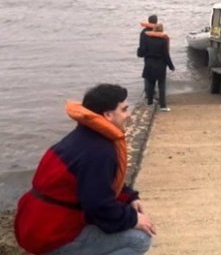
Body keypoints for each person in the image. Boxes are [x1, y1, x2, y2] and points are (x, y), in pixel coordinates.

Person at [14, 84, 155, 255]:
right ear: (108, 115)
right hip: (53, 235)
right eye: (124, 110)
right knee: (139, 239)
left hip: (33, 223)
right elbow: (98, 206)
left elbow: (100, 182)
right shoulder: (99, 151)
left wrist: (129, 197)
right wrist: (133, 219)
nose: (129, 114)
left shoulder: (83, 137)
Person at [142, 23, 175, 111]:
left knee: (150, 85)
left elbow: (143, 51)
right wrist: (171, 66)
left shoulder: (147, 40)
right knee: (161, 85)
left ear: (154, 30)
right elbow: (166, 55)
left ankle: (150, 104)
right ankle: (163, 106)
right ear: (161, 30)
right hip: (160, 65)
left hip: (149, 64)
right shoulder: (163, 41)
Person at [138, 14, 158, 104]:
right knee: (156, 74)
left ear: (149, 21)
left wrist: (142, 53)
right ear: (156, 21)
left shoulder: (143, 32)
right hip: (157, 55)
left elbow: (141, 45)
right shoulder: (158, 30)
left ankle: (148, 92)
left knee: (147, 74)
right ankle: (153, 92)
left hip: (147, 55)